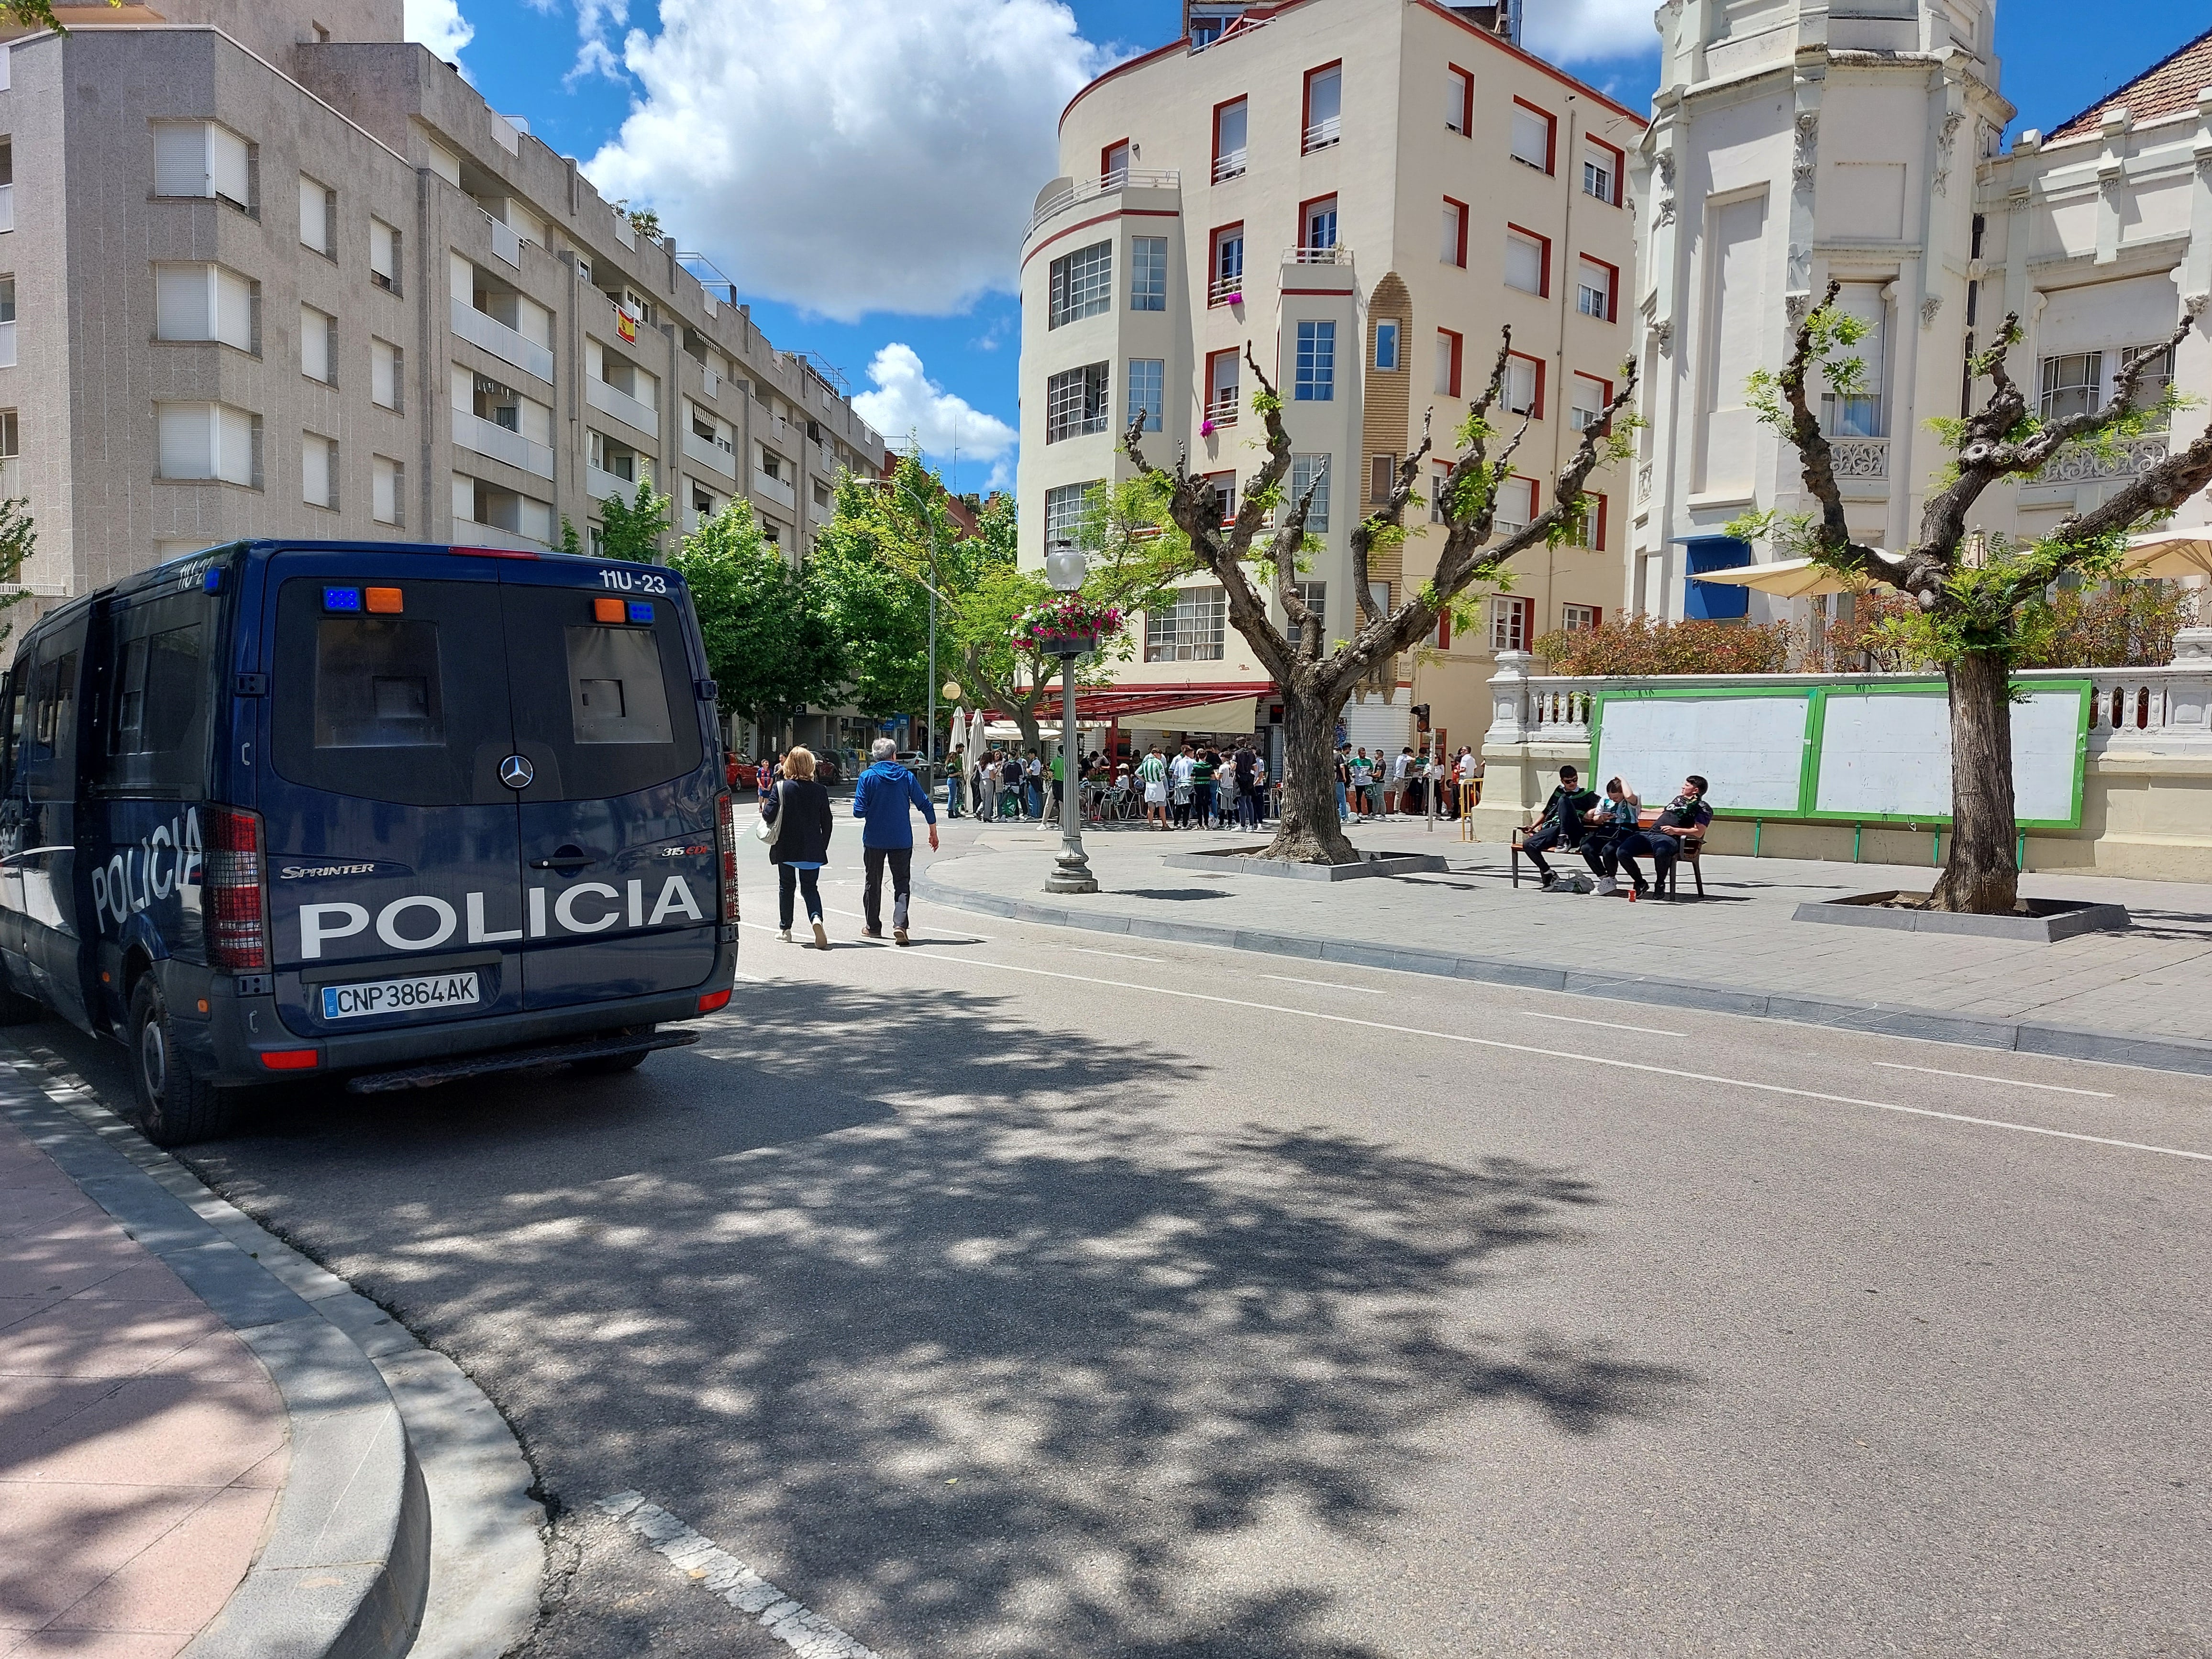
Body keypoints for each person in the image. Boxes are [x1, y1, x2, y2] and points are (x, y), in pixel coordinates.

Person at [852, 737, 939, 944]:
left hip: (874, 839)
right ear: (894, 755)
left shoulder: (867, 777)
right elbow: (926, 804)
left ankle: (873, 926)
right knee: (902, 883)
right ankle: (900, 924)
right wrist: (933, 831)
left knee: (873, 882)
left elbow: (858, 812)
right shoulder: (906, 776)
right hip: (901, 838)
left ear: (875, 756)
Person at [762, 746, 836, 948]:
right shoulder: (820, 790)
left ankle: (786, 930)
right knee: (810, 888)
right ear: (810, 765)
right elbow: (827, 822)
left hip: (786, 848)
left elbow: (768, 815)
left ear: (789, 765)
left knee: (786, 887)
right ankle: (816, 918)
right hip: (812, 849)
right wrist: (823, 845)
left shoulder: (781, 787)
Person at [1625, 774, 1713, 896]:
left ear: (1695, 790)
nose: (1683, 787)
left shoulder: (1701, 807)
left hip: (1671, 838)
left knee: (1662, 850)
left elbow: (1699, 832)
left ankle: (1660, 883)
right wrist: (1646, 811)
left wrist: (1675, 830)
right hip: (1651, 834)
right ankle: (1640, 882)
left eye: (1687, 785)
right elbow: (1666, 810)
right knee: (1622, 851)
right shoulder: (1679, 799)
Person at [1518, 764, 1599, 890]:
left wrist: (1592, 811)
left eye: (1575, 780)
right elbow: (1546, 812)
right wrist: (1533, 826)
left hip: (1574, 831)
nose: (1572, 783)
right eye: (1568, 782)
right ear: (1562, 781)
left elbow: (1606, 804)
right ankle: (1548, 874)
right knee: (1529, 844)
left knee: (1564, 800)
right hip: (1556, 828)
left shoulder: (1586, 794)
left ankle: (1564, 837)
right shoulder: (1559, 792)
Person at [1581, 776, 1644, 897]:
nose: (1613, 799)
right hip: (1608, 829)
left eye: (1615, 797)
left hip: (1627, 829)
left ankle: (1611, 876)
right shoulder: (1605, 799)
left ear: (1622, 793)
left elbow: (1630, 796)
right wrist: (1603, 818)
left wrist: (1622, 779)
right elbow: (1596, 819)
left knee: (1609, 850)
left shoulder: (1633, 797)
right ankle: (1605, 878)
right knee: (1586, 848)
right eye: (1610, 797)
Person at [1137, 744, 1170, 830]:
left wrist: (1145, 780)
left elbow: (1137, 773)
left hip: (1149, 786)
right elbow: (1163, 776)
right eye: (1160, 754)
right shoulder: (1159, 763)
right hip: (1158, 786)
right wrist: (1159, 780)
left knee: (1151, 807)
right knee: (1162, 807)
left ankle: (1151, 825)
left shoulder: (1146, 763)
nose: (1161, 756)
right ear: (1155, 754)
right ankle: (1164, 825)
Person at [1191, 746, 1218, 830]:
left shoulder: (1196, 766)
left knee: (1198, 805)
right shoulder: (1209, 766)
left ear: (1198, 756)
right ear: (1206, 756)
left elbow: (1191, 778)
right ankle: (1206, 824)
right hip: (1206, 787)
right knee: (1206, 805)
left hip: (1197, 787)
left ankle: (1200, 824)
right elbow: (1213, 777)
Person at [1170, 744, 1195, 829]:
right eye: (1193, 753)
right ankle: (1185, 824)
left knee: (1179, 805)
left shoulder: (1179, 762)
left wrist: (1177, 784)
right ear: (1189, 753)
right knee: (1187, 805)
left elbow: (1175, 775)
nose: (1194, 755)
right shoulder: (1193, 762)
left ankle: (1176, 823)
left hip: (1180, 785)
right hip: (1189, 784)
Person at [945, 744, 966, 818]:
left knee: (953, 797)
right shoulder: (951, 765)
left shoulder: (954, 762)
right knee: (952, 797)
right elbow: (950, 774)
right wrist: (958, 773)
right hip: (952, 780)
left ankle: (952, 811)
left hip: (954, 780)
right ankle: (951, 811)